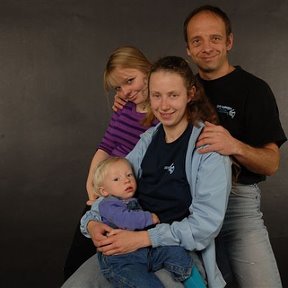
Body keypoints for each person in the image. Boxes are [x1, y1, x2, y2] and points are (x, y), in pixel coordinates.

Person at [62, 56, 232, 288]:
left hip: (178, 250)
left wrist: (143, 238)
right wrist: (92, 223)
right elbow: (113, 191)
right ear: (148, 94)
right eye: (156, 95)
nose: (163, 106)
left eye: (173, 95)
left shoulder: (208, 149)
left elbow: (204, 227)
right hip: (128, 246)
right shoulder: (147, 140)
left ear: (190, 94)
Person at [183, 5, 287, 287]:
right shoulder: (182, 90)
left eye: (215, 38)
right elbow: (147, 97)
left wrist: (233, 146)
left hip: (237, 206)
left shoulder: (254, 89)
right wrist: (125, 101)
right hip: (188, 205)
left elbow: (271, 163)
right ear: (188, 50)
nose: (206, 47)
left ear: (229, 41)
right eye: (197, 41)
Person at [64, 46, 157, 280]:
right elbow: (105, 147)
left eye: (129, 81)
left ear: (148, 69)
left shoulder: (163, 112)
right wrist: (92, 187)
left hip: (131, 193)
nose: (125, 91)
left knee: (119, 260)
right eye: (118, 88)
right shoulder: (124, 107)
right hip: (107, 189)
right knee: (79, 256)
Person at [83, 156, 206, 288]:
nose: (126, 180)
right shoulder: (107, 205)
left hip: (146, 250)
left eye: (129, 175)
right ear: (104, 191)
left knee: (175, 252)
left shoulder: (131, 200)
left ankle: (195, 284)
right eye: (116, 179)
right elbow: (126, 220)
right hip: (122, 260)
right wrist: (149, 218)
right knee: (147, 284)